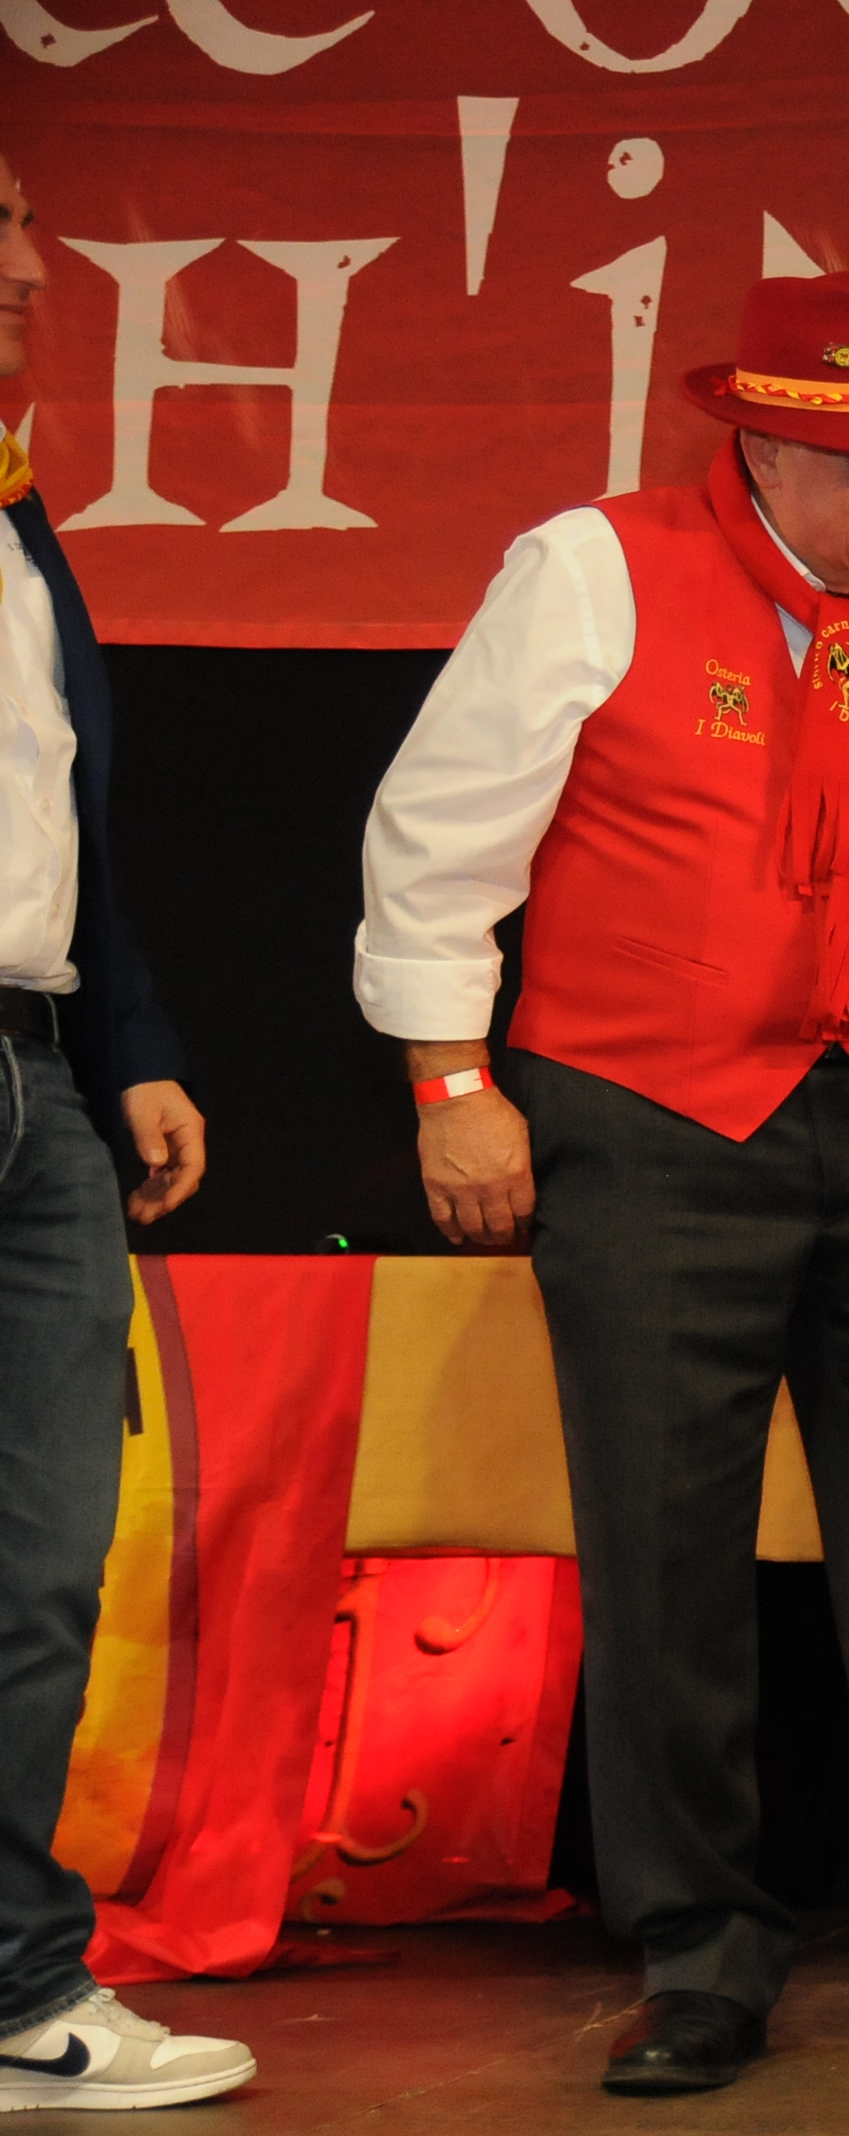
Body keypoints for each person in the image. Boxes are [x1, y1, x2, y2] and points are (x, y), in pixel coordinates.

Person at [352, 271, 849, 2096]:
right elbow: (437, 832)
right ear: (765, 449)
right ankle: (700, 1950)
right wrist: (453, 1081)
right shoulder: (593, 570)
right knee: (668, 1554)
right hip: (652, 1121)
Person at [0, 147, 251, 2119]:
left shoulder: (19, 512)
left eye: (22, 221)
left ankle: (17, 1987)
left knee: (39, 1563)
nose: (27, 261)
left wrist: (127, 1040)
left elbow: (57, 815)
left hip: (37, 1073)